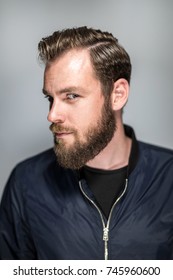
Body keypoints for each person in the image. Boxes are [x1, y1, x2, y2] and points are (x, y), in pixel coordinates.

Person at [0, 26, 173, 260]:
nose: (52, 115)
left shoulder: (168, 178)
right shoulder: (26, 182)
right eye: (51, 98)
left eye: (71, 96)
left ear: (117, 94)